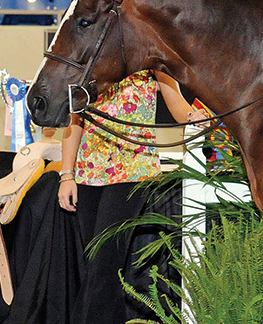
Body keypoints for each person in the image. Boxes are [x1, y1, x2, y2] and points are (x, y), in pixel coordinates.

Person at [57, 70, 197, 324]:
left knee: (104, 263)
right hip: (88, 173)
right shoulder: (94, 61)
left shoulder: (150, 61)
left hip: (133, 172)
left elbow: (174, 100)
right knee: (99, 267)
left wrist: (192, 116)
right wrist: (67, 175)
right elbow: (74, 122)